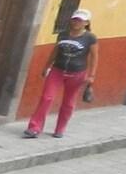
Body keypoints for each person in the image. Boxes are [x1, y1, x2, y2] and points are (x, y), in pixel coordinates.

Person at [26, 9, 98, 138]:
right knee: (46, 98)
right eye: (75, 19)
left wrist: (91, 75)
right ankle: (34, 127)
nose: (76, 22)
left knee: (68, 102)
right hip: (57, 70)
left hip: (77, 73)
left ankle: (60, 128)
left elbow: (94, 56)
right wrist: (47, 66)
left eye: (80, 20)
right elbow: (55, 51)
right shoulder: (63, 35)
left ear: (86, 22)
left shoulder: (90, 38)